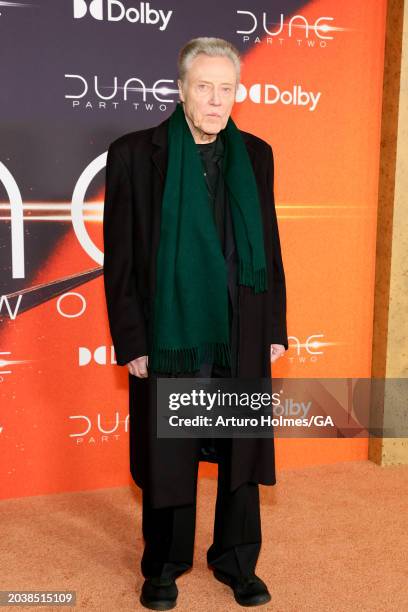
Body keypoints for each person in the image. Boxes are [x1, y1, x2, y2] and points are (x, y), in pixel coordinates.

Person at [103, 37, 288, 610]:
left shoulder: (256, 154)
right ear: (181, 89)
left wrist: (276, 325)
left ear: (237, 92)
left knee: (239, 452)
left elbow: (271, 248)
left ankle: (236, 560)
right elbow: (123, 258)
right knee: (169, 451)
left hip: (242, 330)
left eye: (225, 88)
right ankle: (164, 564)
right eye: (203, 87)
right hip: (173, 336)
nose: (215, 100)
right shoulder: (136, 153)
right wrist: (132, 339)